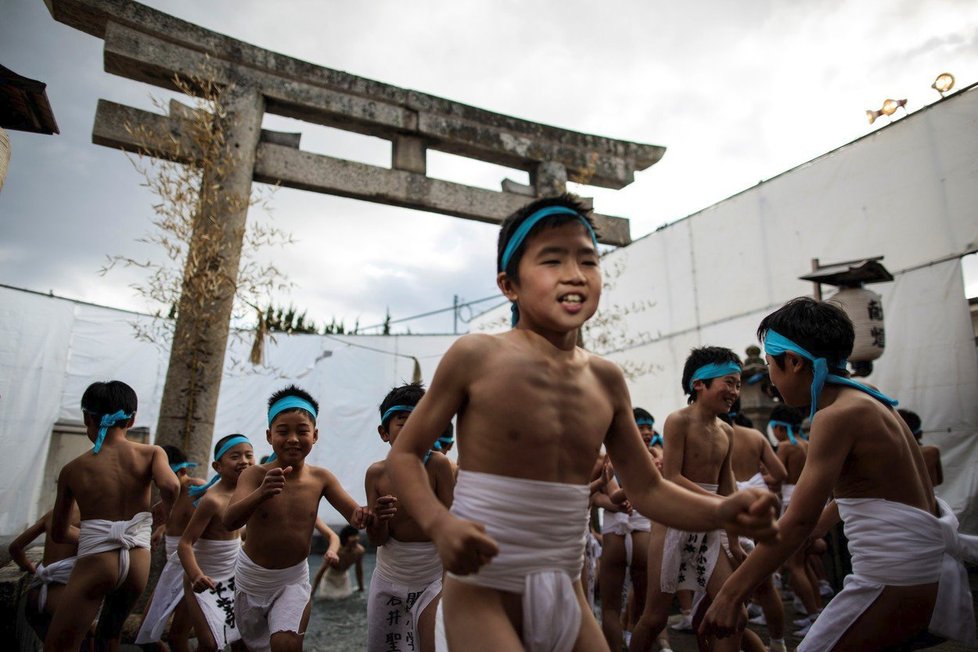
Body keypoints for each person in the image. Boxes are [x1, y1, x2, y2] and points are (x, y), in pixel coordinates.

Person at [386, 195, 779, 652]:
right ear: (509, 284)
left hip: (568, 591)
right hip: (482, 588)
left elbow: (648, 488)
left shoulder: (606, 379)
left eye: (588, 260)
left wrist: (722, 511)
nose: (574, 273)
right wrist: (439, 523)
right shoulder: (476, 356)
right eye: (552, 260)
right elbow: (406, 453)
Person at [702, 297, 978, 650]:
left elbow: (798, 520)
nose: (771, 378)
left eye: (771, 364)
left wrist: (730, 594)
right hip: (923, 575)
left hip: (894, 578)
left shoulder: (835, 417)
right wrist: (813, 531)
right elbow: (860, 494)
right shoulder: (870, 399)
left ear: (794, 362)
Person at [224, 385, 369, 652]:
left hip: (292, 579)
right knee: (243, 647)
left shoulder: (321, 478)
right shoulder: (254, 475)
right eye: (283, 431)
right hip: (252, 578)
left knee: (286, 644)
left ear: (314, 436)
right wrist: (261, 493)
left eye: (302, 431)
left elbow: (356, 516)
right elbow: (229, 521)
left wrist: (370, 512)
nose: (293, 438)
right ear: (269, 436)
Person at [44, 380, 181, 651]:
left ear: (87, 417)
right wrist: (162, 513)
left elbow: (58, 532)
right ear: (131, 420)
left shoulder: (73, 469)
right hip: (137, 560)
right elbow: (172, 485)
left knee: (59, 646)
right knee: (109, 637)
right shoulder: (151, 453)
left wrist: (99, 536)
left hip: (97, 561)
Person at [629, 347, 749, 652]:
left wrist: (733, 539)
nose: (735, 391)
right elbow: (672, 477)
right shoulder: (678, 420)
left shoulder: (727, 432)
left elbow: (728, 485)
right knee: (655, 618)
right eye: (729, 382)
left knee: (735, 611)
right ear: (699, 384)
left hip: (711, 525)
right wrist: (720, 505)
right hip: (673, 522)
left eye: (738, 384)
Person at [364, 382, 455, 652]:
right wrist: (378, 519)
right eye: (404, 423)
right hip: (389, 576)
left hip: (432, 579)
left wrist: (451, 584)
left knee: (434, 645)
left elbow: (450, 525)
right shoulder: (377, 474)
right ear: (384, 432)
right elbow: (376, 539)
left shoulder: (438, 465)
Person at [177, 434, 255, 652]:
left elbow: (237, 533)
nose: (244, 461)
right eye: (235, 456)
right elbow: (184, 544)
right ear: (217, 466)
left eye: (249, 455)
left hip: (233, 575)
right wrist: (195, 576)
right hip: (204, 577)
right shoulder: (212, 499)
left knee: (242, 640)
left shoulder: (248, 493)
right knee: (210, 643)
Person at [594, 408, 657, 651]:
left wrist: (615, 501)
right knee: (639, 606)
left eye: (649, 427)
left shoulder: (606, 457)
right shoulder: (652, 458)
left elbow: (604, 496)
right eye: (641, 427)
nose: (646, 432)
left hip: (615, 531)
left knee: (611, 608)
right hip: (640, 529)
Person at [727, 404, 788, 652]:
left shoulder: (714, 435)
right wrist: (761, 480)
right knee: (766, 584)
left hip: (733, 507)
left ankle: (737, 642)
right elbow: (780, 473)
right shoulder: (755, 436)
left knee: (731, 581)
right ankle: (778, 643)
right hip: (759, 502)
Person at [136, 444, 206, 650]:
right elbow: (180, 521)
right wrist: (163, 529)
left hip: (192, 568)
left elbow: (209, 525)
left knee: (177, 636)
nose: (160, 481)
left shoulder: (197, 489)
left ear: (182, 471)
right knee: (146, 634)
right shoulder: (166, 498)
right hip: (172, 568)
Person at [767, 404, 822, 635]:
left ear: (779, 427)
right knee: (805, 561)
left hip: (792, 504)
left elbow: (777, 478)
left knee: (794, 564)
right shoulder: (808, 444)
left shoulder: (787, 447)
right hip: (812, 501)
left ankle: (813, 617)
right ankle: (817, 611)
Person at [8, 503, 81, 640]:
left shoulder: (53, 513)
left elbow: (15, 548)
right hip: (63, 597)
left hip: (35, 595)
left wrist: (30, 567)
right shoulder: (93, 517)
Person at [313, 525, 365, 600]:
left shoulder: (359, 551)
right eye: (353, 540)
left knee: (345, 599)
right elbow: (322, 570)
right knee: (326, 599)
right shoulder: (336, 550)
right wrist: (313, 591)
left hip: (343, 577)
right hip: (330, 578)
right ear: (346, 539)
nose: (355, 542)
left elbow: (359, 570)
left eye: (356, 541)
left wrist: (361, 587)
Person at [899, 408, 943, 486]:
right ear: (920, 434)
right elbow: (939, 480)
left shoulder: (889, 456)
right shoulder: (932, 452)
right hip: (928, 497)